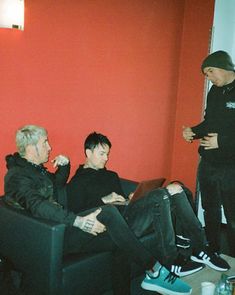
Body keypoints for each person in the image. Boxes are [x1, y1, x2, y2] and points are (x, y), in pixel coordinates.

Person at [4, 125, 192, 295]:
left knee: (121, 238)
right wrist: (78, 221)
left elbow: (58, 186)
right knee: (108, 212)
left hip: (63, 226)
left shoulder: (36, 171)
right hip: (53, 236)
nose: (49, 147)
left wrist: (65, 165)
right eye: (44, 143)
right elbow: (38, 205)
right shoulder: (16, 176)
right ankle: (154, 270)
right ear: (30, 148)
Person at [67, 131, 230, 275]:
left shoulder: (111, 176)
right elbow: (77, 212)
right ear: (88, 153)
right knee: (160, 195)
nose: (106, 158)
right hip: (111, 228)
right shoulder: (77, 182)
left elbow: (123, 202)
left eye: (107, 154)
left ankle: (201, 248)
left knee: (177, 189)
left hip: (128, 216)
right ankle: (172, 261)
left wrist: (130, 198)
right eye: (102, 154)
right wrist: (104, 200)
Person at [183, 50, 235, 258]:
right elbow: (209, 122)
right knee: (210, 210)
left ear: (224, 66)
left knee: (232, 215)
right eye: (206, 75)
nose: (210, 78)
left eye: (211, 72)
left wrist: (221, 141)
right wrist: (193, 132)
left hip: (230, 165)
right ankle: (212, 252)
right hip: (208, 163)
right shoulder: (214, 91)